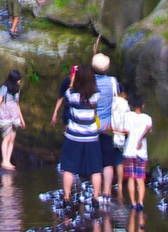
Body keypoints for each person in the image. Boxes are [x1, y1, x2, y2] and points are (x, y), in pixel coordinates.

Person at [50, 64, 104, 207]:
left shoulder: (72, 96)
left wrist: (74, 80)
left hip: (73, 136)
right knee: (96, 168)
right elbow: (93, 88)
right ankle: (96, 198)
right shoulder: (96, 96)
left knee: (68, 168)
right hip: (92, 137)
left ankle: (67, 197)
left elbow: (69, 89)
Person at [92, 53, 121, 204]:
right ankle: (107, 191)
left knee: (95, 161)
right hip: (109, 126)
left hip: (92, 126)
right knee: (108, 161)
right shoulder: (112, 81)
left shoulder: (90, 82)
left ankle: (96, 192)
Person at [120, 93, 153, 210]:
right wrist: (140, 139)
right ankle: (141, 202)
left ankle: (133, 203)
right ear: (143, 105)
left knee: (130, 178)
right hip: (141, 152)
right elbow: (149, 128)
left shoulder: (127, 116)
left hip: (129, 151)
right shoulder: (147, 118)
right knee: (140, 178)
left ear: (131, 105)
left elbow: (125, 131)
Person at [0, 71, 25, 171]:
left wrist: (22, 119)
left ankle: (8, 160)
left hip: (14, 116)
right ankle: (4, 161)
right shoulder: (4, 88)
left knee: (12, 138)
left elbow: (17, 104)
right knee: (6, 137)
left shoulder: (17, 90)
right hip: (4, 115)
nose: (20, 81)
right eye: (18, 79)